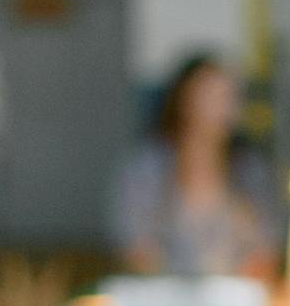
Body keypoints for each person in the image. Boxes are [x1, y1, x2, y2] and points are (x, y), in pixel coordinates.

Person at [117, 52, 275, 285]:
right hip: (163, 300)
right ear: (184, 99)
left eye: (230, 96)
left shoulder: (249, 169)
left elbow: (266, 247)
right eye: (210, 95)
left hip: (232, 301)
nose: (223, 107)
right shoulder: (148, 168)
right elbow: (135, 246)